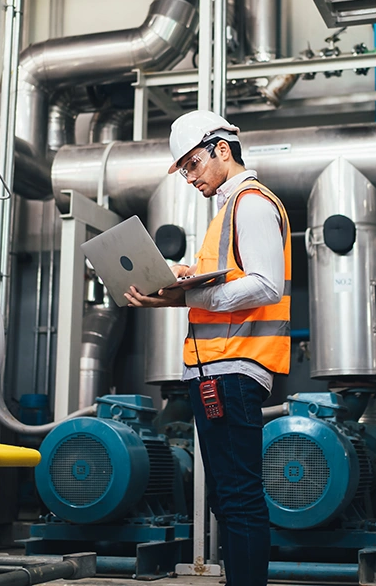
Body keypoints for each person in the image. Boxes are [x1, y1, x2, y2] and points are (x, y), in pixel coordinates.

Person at [124, 110, 290, 586]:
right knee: (225, 496)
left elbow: (265, 286)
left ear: (221, 149)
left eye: (193, 165)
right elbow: (224, 285)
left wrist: (185, 294)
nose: (190, 179)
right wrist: (178, 284)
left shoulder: (251, 203)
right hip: (216, 370)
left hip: (235, 369)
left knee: (237, 497)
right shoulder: (228, 210)